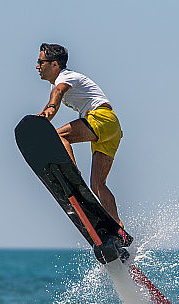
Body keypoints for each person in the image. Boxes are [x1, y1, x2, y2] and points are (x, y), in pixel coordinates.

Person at [35, 43, 124, 226]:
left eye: (41, 62)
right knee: (98, 185)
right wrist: (45, 116)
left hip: (100, 118)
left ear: (54, 64)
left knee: (58, 137)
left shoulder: (65, 77)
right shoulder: (58, 83)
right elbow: (54, 98)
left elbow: (58, 93)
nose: (37, 66)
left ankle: (73, 175)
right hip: (112, 128)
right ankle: (118, 226)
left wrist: (48, 111)